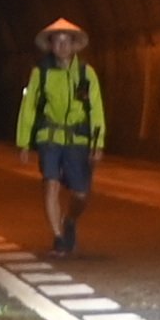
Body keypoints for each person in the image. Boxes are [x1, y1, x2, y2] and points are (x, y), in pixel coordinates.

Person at [14, 18, 106, 251]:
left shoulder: (86, 74)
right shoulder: (41, 73)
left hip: (77, 139)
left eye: (67, 41)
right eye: (57, 41)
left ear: (74, 45)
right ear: (51, 45)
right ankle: (57, 237)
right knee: (51, 183)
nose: (62, 46)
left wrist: (97, 144)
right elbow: (29, 107)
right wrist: (24, 142)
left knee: (81, 194)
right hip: (50, 137)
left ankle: (70, 220)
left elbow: (96, 109)